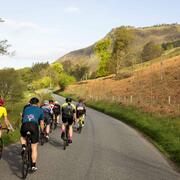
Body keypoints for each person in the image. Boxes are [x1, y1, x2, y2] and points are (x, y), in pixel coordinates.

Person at [20, 97, 44, 171]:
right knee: (34, 148)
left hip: (25, 125)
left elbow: (23, 117)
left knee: (22, 136)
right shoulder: (40, 110)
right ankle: (33, 165)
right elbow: (42, 123)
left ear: (30, 102)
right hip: (34, 126)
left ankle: (23, 147)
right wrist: (42, 131)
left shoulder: (26, 108)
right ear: (37, 103)